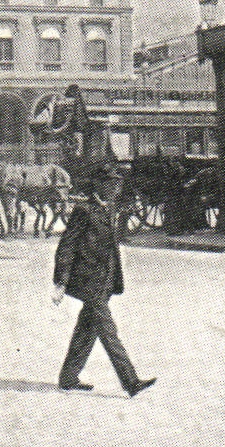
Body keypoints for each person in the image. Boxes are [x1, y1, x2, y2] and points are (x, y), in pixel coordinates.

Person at [52, 167, 156, 398]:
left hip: (105, 280)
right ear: (98, 185)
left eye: (117, 185)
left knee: (87, 329)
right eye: (111, 184)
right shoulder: (84, 211)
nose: (115, 189)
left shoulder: (108, 209)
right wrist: (61, 282)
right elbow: (67, 246)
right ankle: (131, 381)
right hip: (90, 281)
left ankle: (68, 377)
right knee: (109, 332)